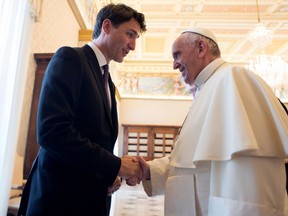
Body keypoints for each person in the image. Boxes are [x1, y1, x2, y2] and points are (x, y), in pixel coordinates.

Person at [127, 27, 288, 216]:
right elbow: (191, 166)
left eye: (177, 55)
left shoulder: (232, 79)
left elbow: (246, 184)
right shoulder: (207, 88)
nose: (174, 65)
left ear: (201, 48)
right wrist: (149, 171)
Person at [18, 3, 146, 216]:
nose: (133, 45)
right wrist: (115, 165)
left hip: (88, 201)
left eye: (136, 38)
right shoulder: (71, 58)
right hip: (59, 202)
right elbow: (53, 132)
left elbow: (96, 141)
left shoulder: (109, 81)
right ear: (106, 26)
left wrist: (108, 174)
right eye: (130, 34)